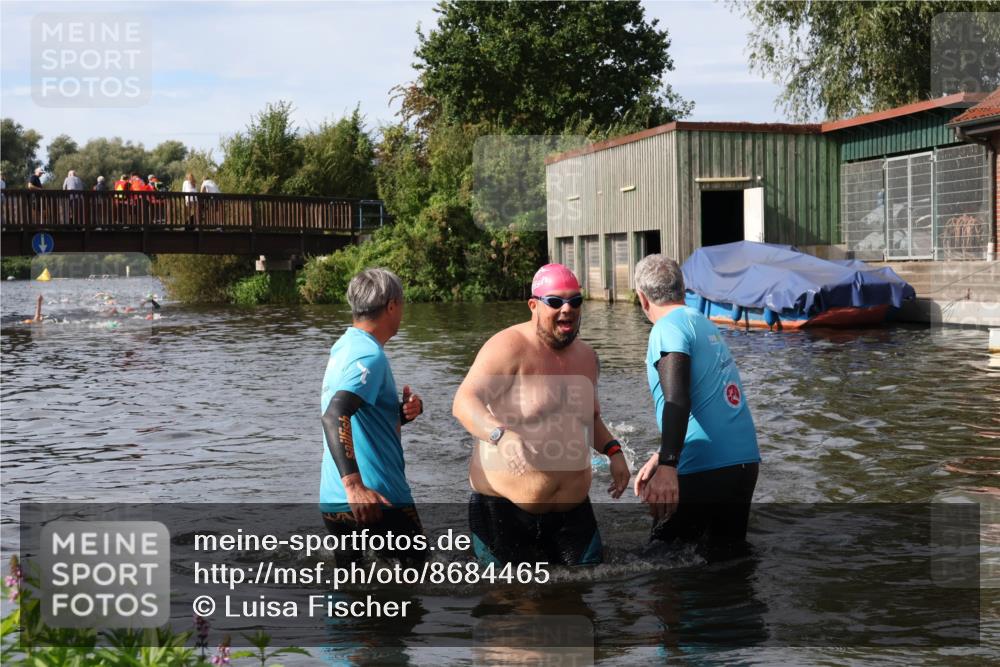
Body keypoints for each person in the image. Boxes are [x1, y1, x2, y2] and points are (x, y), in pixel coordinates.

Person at [452, 263, 630, 566]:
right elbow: (464, 401)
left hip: (571, 512)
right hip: (505, 510)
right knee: (516, 604)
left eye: (575, 301)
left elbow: (591, 418)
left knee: (582, 598)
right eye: (555, 302)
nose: (567, 309)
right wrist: (500, 435)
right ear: (534, 305)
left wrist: (614, 452)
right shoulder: (509, 347)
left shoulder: (586, 357)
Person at [632, 254, 761, 558]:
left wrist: (667, 465)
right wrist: (661, 453)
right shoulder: (703, 323)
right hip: (742, 463)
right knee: (726, 565)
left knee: (658, 565)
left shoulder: (666, 329)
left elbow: (677, 398)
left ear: (642, 297)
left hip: (703, 465)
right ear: (682, 288)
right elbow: (707, 399)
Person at [319, 268, 425, 565]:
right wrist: (355, 486)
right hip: (376, 497)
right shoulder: (369, 355)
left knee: (351, 591)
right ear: (392, 305)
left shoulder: (344, 347)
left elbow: (358, 414)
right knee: (415, 582)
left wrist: (400, 413)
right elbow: (335, 414)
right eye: (402, 304)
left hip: (334, 499)